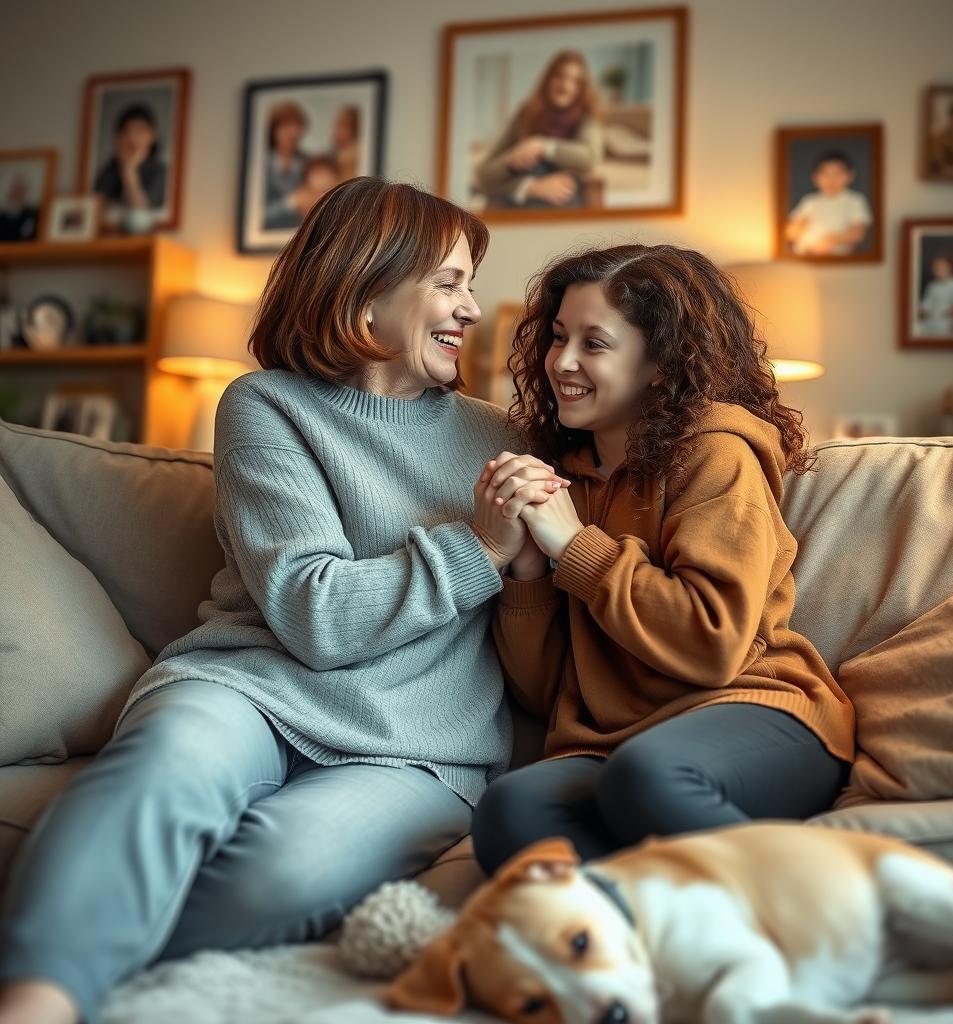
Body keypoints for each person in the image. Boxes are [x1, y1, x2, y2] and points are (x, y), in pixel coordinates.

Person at [0, 177, 567, 1024]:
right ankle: (36, 1002)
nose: (472, 309)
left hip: (414, 746)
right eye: (449, 282)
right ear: (369, 284)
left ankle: (87, 957)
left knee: (282, 874)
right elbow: (314, 614)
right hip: (250, 690)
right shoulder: (266, 406)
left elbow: (539, 634)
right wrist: (478, 547)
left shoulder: (505, 439)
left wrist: (526, 563)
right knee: (162, 770)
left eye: (470, 285)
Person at [469, 244, 856, 874]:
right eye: (559, 336)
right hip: (608, 748)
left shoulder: (717, 456)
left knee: (648, 778)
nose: (562, 362)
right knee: (512, 812)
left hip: (753, 712)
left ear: (657, 363)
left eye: (595, 344)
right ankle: (649, 941)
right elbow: (546, 695)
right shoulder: (564, 484)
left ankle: (820, 915)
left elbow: (715, 643)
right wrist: (529, 571)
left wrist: (576, 548)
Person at [474, 50, 603, 210]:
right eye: (560, 76)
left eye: (575, 81)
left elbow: (589, 159)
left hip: (562, 210)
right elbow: (484, 175)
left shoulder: (586, 116)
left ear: (582, 88)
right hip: (518, 207)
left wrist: (542, 146)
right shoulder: (526, 114)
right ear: (548, 79)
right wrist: (528, 187)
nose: (565, 86)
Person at [785, 150, 872, 256]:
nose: (831, 179)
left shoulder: (854, 200)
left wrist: (833, 240)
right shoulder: (810, 201)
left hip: (836, 259)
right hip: (805, 255)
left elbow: (858, 233)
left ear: (850, 176)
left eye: (837, 174)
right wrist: (798, 227)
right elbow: (791, 231)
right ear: (815, 177)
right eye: (825, 174)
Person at [91, 104, 167, 215]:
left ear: (153, 135)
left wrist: (129, 170)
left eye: (139, 131)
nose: (132, 137)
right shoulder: (109, 170)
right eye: (126, 131)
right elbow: (95, 210)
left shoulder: (161, 172)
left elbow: (141, 211)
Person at [262, 101, 310, 230]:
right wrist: (290, 202)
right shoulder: (261, 165)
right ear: (274, 130)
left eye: (298, 127)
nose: (293, 132)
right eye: (286, 126)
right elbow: (256, 215)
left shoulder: (308, 163)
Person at [917, 252, 953, 335]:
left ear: (950, 268)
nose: (939, 270)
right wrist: (923, 311)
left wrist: (950, 312)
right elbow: (927, 303)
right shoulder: (932, 286)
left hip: (947, 321)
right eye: (936, 268)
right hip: (931, 320)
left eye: (943, 267)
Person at [331, 105, 361, 182]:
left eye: (343, 126)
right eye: (336, 126)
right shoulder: (337, 151)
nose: (335, 131)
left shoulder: (352, 151)